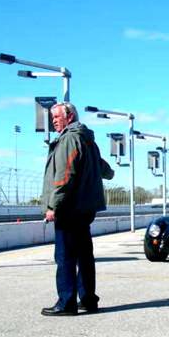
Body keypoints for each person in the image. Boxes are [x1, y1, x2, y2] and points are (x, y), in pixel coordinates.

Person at [41, 102, 106, 316]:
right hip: (85, 208)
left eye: (57, 117)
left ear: (69, 117)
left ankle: (66, 302)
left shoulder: (69, 139)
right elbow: (103, 167)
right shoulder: (88, 140)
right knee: (84, 255)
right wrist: (106, 172)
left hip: (69, 208)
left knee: (66, 256)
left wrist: (53, 205)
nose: (54, 121)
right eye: (52, 118)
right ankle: (88, 299)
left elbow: (65, 176)